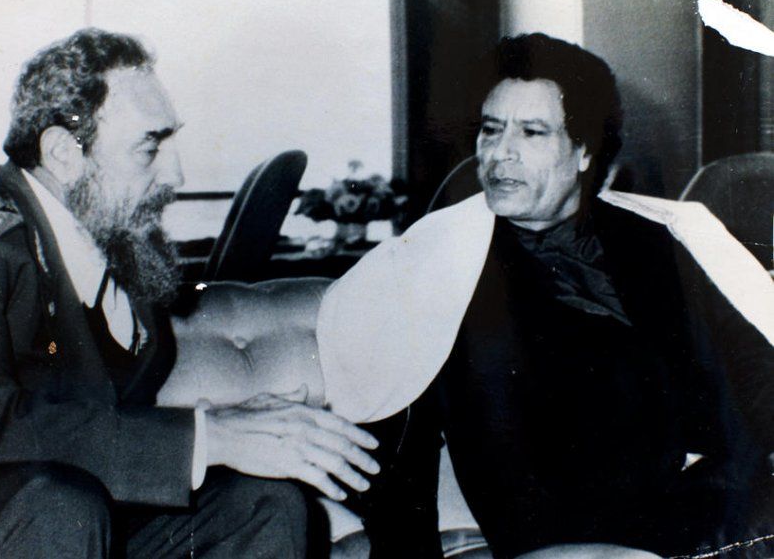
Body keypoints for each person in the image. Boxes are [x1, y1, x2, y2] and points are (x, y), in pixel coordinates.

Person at [0, 28, 380, 558]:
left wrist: (246, 425)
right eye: (150, 147)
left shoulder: (112, 237)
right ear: (63, 153)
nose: (175, 174)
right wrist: (209, 436)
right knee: (59, 506)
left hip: (60, 506)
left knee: (263, 504)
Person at [317, 33, 774, 558]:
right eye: (491, 129)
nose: (500, 153)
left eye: (531, 132)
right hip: (579, 535)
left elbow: (751, 365)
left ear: (584, 151)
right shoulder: (439, 265)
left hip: (713, 500)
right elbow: (394, 449)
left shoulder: (652, 237)